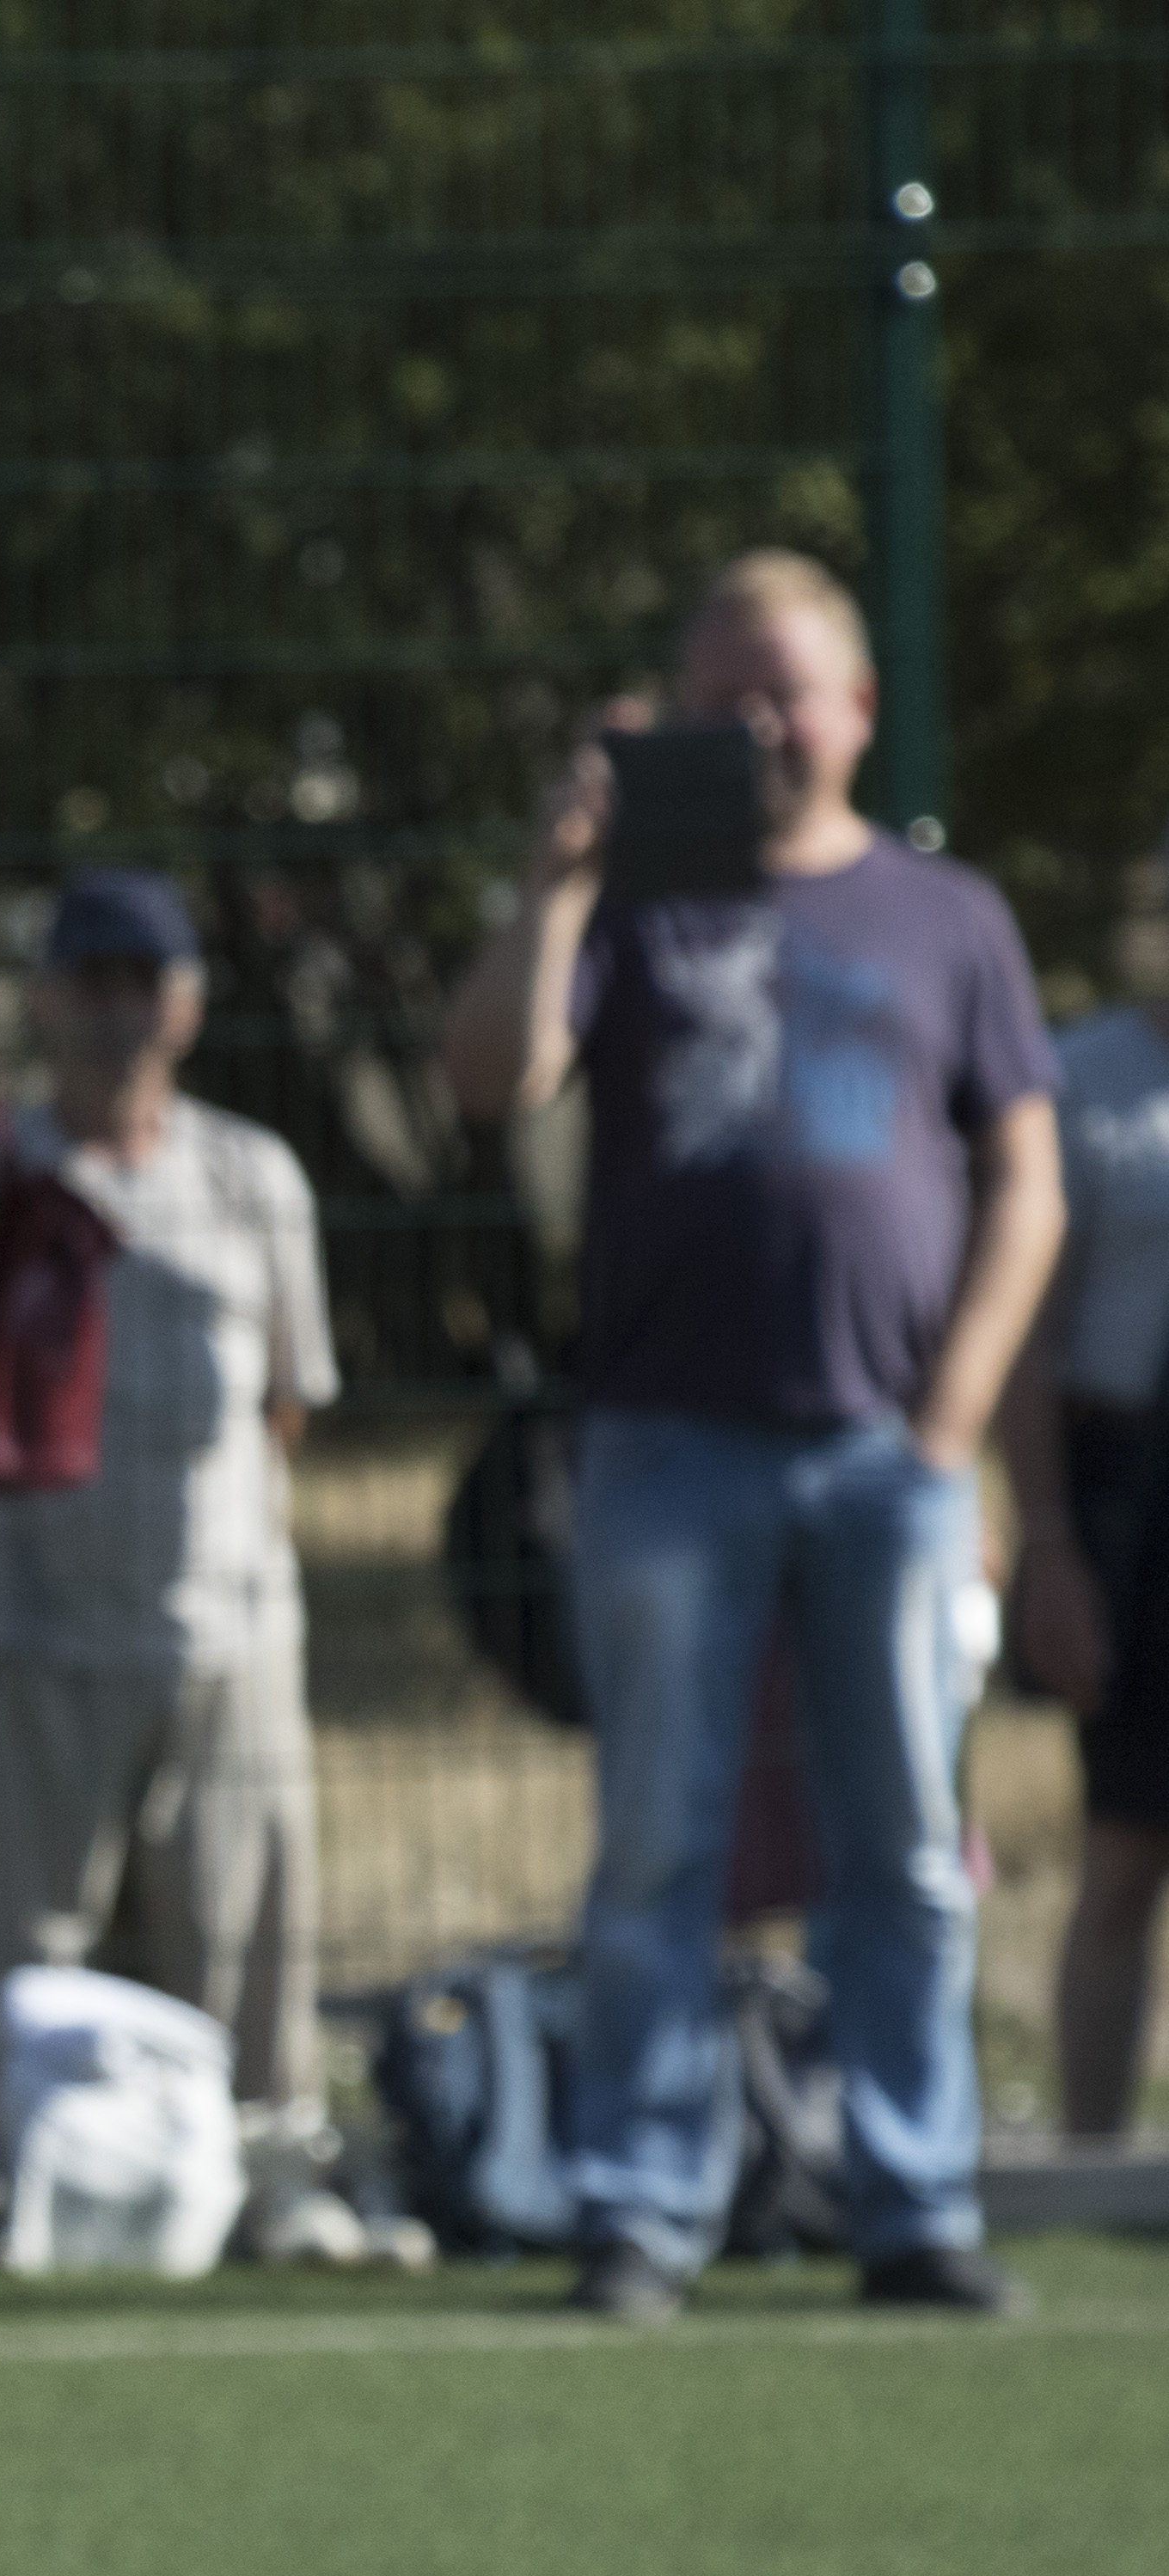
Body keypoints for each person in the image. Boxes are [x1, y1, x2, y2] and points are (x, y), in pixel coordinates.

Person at [443, 547, 1064, 2322]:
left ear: (860, 709)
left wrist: (952, 1422)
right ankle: (639, 2209)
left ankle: (913, 2202)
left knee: (906, 1852)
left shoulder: (951, 919)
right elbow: (492, 1078)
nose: (762, 722)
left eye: (789, 687)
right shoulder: (634, 901)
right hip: (663, 1445)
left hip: (888, 1453)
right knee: (660, 1843)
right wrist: (560, 882)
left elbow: (1020, 1180)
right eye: (726, 692)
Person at [0, 868, 349, 2223]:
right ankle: (25, 2179)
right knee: (28, 1938)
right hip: (29, 1622)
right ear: (47, 998)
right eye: (93, 980)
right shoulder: (0, 1176)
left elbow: (286, 1404)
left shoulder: (251, 1176)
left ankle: (271, 2183)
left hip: (227, 1628)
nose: (119, 1010)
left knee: (245, 1929)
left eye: (145, 981)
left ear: (185, 1002)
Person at [1003, 823, 1169, 2139]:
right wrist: (1045, 1536)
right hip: (1131, 1494)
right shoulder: (1085, 1079)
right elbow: (1029, 1334)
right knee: (1123, 1847)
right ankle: (1094, 2147)